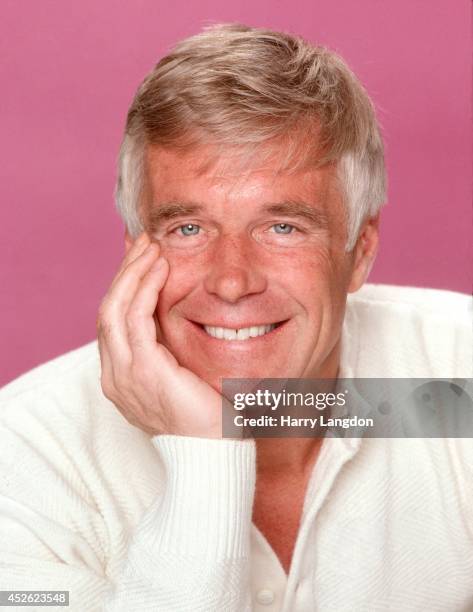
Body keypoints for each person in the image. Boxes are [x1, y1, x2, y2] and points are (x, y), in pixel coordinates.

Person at [0, 23, 471, 612]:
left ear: (360, 250)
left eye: (282, 228)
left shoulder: (460, 380)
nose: (231, 280)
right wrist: (204, 451)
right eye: (188, 229)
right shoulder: (23, 456)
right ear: (134, 251)